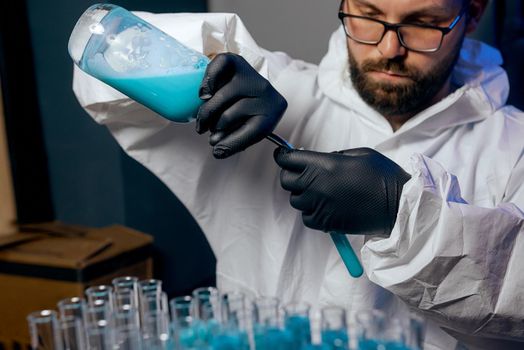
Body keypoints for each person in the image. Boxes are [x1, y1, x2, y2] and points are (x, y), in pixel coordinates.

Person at [73, 0, 524, 348]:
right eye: (367, 15)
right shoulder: (277, 90)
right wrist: (207, 68)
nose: (390, 48)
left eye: (423, 22)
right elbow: (98, 69)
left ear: (473, 14)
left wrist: (400, 215)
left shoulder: (514, 146)